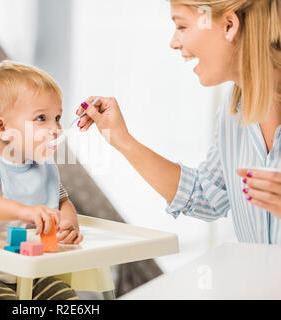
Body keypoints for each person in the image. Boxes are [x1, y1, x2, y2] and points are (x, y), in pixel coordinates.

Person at [76, 0, 280, 244]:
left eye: (182, 27)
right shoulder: (232, 114)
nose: (174, 42)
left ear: (229, 25)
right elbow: (205, 195)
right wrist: (122, 140)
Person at [0, 60, 82, 300]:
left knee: (67, 298)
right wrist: (24, 211)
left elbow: (62, 200)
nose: (56, 129)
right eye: (41, 118)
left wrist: (69, 224)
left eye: (57, 118)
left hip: (33, 273)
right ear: (1, 127)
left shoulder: (45, 167)